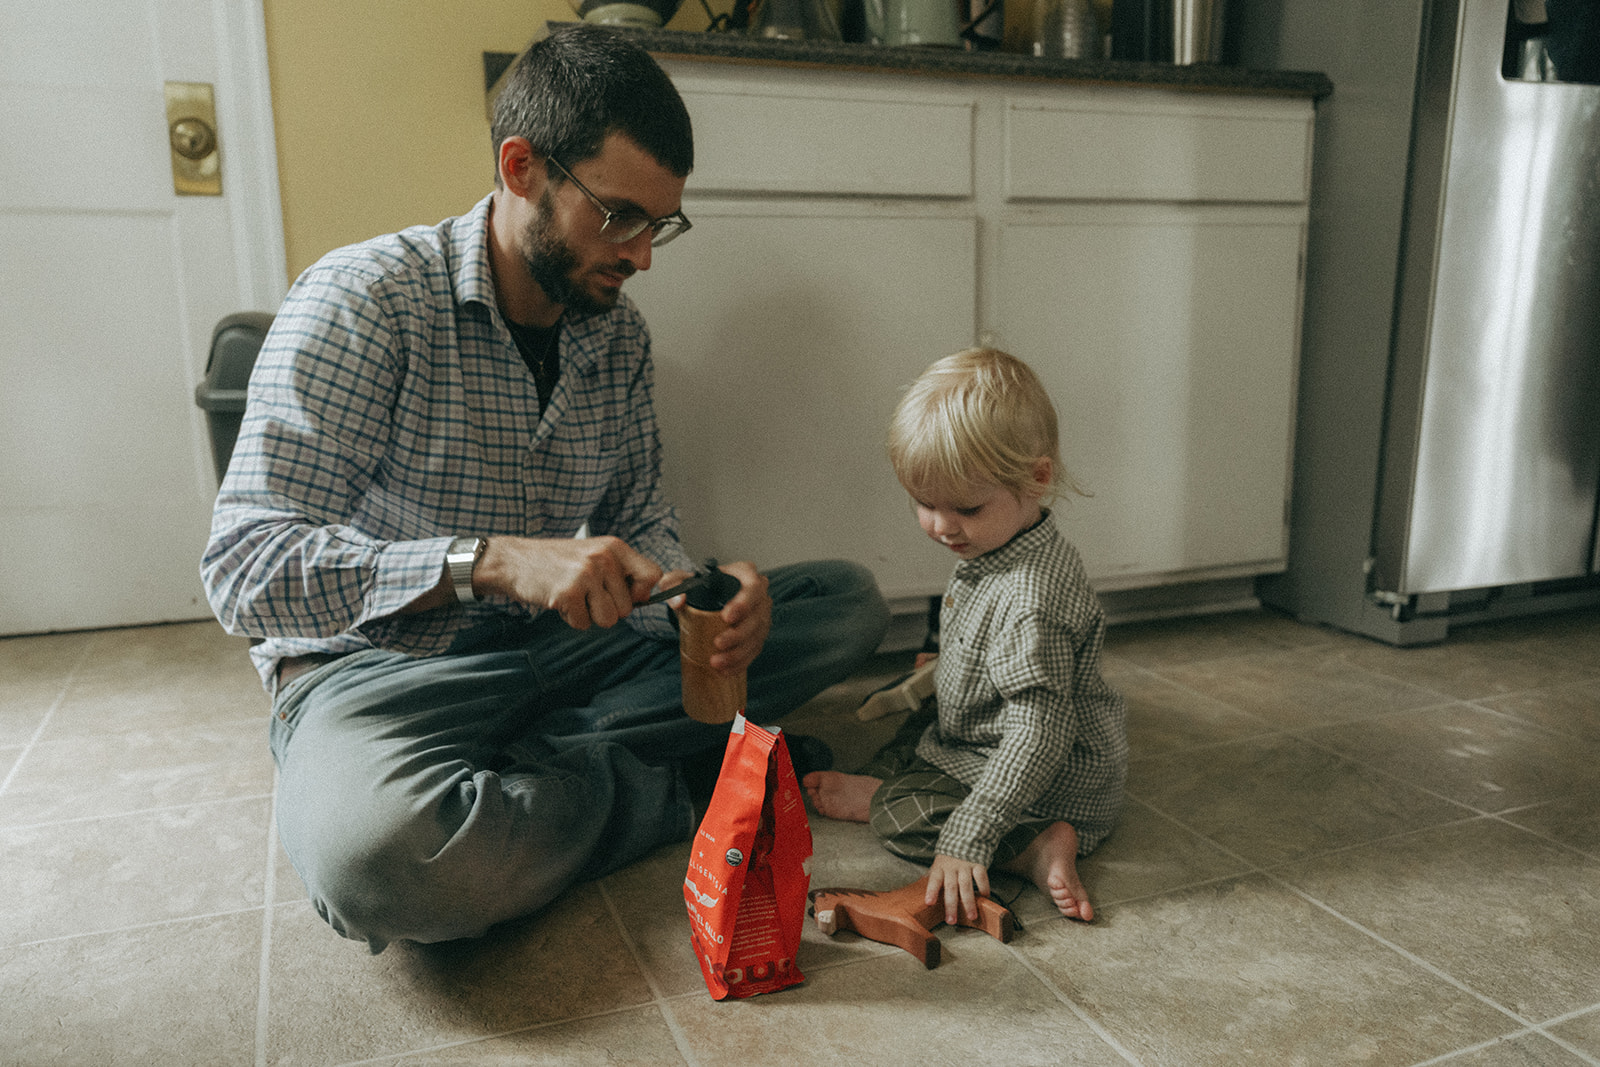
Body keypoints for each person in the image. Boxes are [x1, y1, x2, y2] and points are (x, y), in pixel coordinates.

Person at [201, 25, 888, 953]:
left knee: (844, 601)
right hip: (376, 669)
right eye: (619, 217)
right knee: (381, 859)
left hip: (557, 657)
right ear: (521, 167)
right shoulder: (364, 301)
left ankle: (539, 774)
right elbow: (244, 568)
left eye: (661, 224)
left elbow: (641, 520)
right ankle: (673, 786)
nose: (643, 255)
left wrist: (707, 597)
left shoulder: (619, 336)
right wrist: (482, 562)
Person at [803, 348, 1126, 925]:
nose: (941, 525)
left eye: (966, 507)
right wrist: (952, 665)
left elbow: (1039, 737)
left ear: (1038, 477)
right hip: (979, 730)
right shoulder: (996, 542)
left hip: (1047, 772)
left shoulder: (1032, 601)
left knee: (902, 814)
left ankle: (1034, 844)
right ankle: (896, 773)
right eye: (923, 503)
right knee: (915, 726)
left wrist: (971, 833)